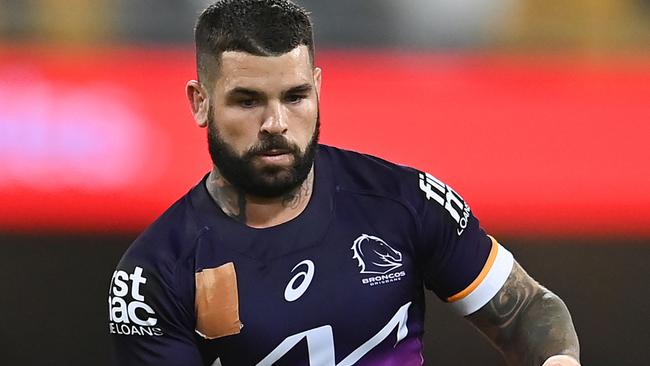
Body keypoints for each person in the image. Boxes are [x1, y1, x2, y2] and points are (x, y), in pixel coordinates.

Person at [108, 1, 580, 365]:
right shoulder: (155, 275)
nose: (276, 122)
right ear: (199, 102)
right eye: (248, 101)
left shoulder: (404, 202)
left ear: (318, 88)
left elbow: (525, 311)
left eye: (295, 96)